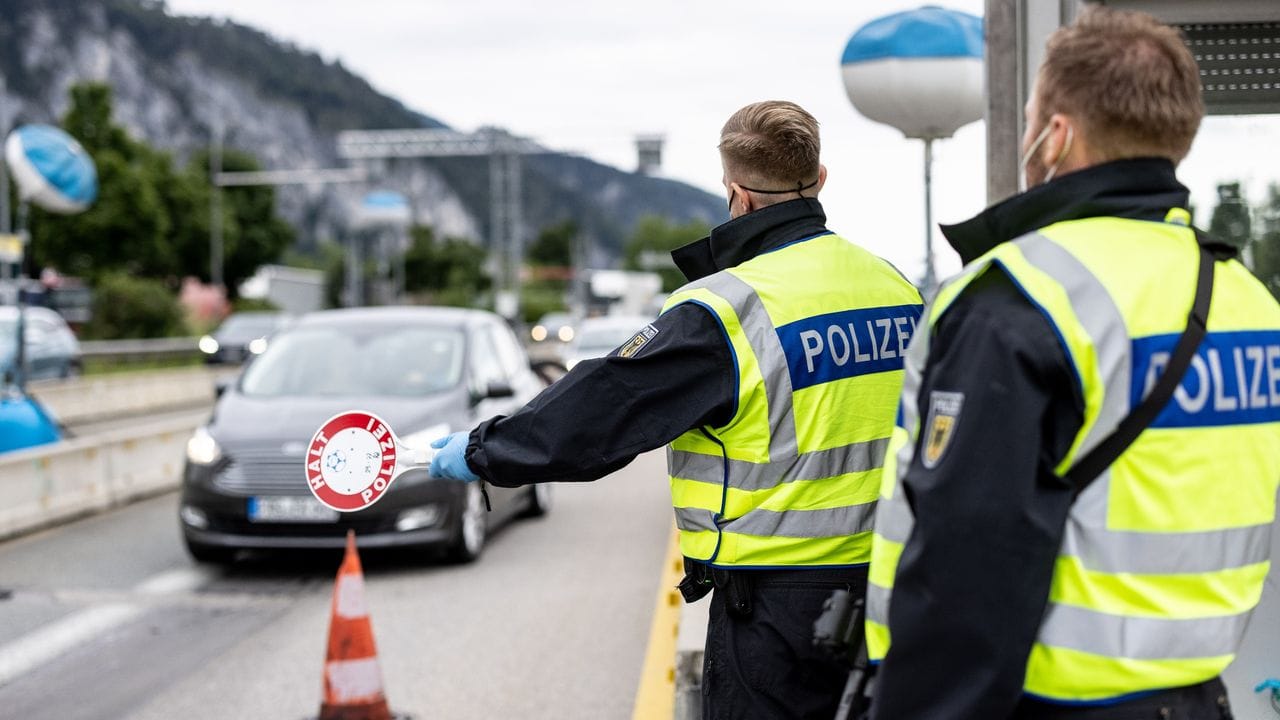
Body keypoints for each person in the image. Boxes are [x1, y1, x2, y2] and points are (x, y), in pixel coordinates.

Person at [430, 100, 923, 719]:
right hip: (896, 593)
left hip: (777, 617)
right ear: (820, 180)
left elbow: (605, 407)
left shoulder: (726, 309)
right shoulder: (897, 287)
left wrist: (483, 451)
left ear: (736, 195)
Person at [864, 7, 1280, 720]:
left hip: (1045, 705)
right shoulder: (1250, 302)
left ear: (1055, 136)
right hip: (1202, 700)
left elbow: (965, 564)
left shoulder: (1019, 297)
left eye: (1030, 118)